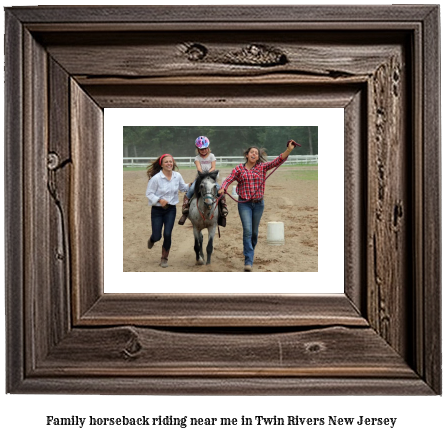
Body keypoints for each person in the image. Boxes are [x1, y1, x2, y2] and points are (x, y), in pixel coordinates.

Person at [218, 140, 299, 272]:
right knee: (248, 231)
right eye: (252, 152)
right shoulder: (239, 169)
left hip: (259, 204)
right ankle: (248, 260)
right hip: (244, 204)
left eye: (256, 153)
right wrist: (223, 188)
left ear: (258, 156)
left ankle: (250, 252)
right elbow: (228, 179)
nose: (254, 154)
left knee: (254, 233)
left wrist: (289, 150)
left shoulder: (262, 167)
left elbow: (277, 161)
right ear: (247, 155)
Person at [145, 154, 190, 268]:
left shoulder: (177, 176)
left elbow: (183, 188)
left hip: (171, 209)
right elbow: (149, 193)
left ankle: (164, 258)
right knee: (157, 236)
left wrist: (192, 184)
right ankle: (152, 239)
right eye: (166, 162)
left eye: (171, 161)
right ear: (161, 164)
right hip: (157, 210)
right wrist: (159, 200)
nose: (169, 163)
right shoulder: (156, 178)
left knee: (167, 234)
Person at [178, 136, 228, 225]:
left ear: (208, 148)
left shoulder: (212, 156)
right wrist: (203, 175)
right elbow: (199, 168)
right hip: (200, 177)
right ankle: (185, 208)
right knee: (192, 189)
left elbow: (213, 167)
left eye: (205, 149)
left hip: (211, 177)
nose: (203, 151)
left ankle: (223, 208)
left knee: (219, 189)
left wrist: (208, 174)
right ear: (198, 149)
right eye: (201, 149)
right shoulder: (197, 158)